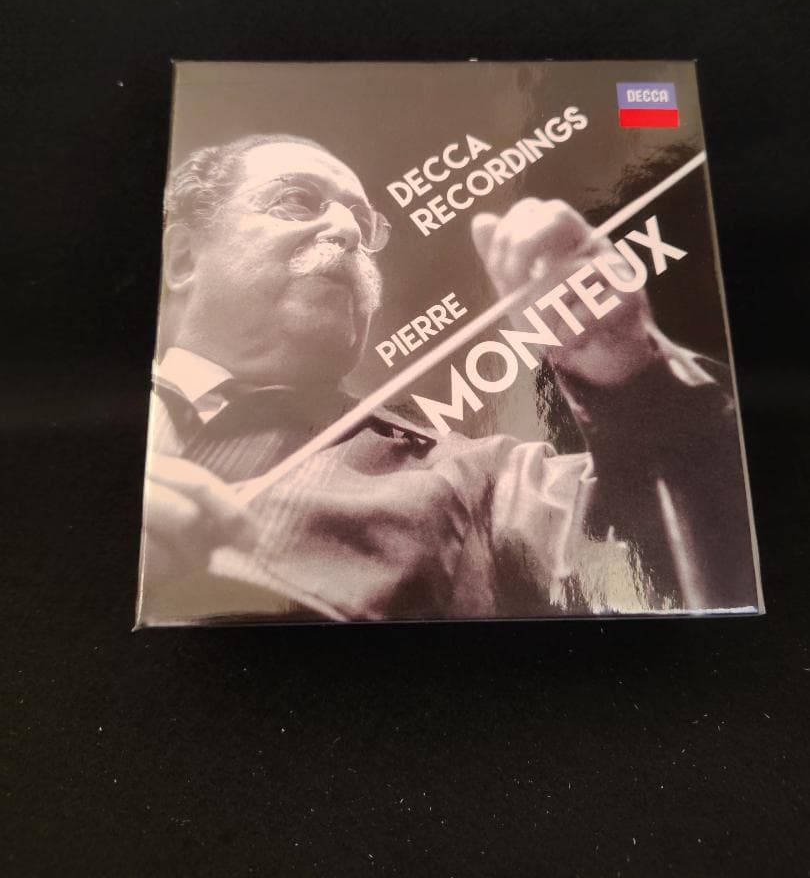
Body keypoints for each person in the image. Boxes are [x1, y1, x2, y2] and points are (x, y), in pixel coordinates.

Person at [136, 133, 758, 625]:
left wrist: (632, 376)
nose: (349, 232)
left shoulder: (479, 481)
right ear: (184, 258)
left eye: (364, 224)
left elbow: (678, 561)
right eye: (297, 201)